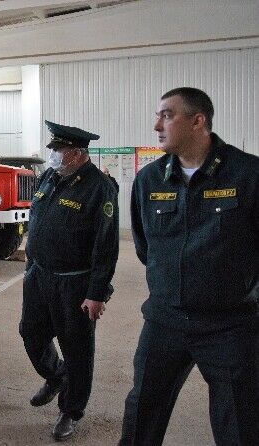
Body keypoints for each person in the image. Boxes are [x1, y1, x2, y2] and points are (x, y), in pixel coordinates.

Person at [119, 87, 258, 445]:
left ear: (198, 121)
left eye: (166, 115)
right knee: (141, 413)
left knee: (239, 423)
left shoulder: (247, 174)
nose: (156, 125)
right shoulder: (150, 180)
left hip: (228, 325)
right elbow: (145, 246)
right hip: (165, 322)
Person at [20, 121, 119, 441]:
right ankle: (55, 374)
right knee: (31, 332)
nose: (53, 155)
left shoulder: (99, 188)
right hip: (38, 274)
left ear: (77, 154)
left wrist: (97, 293)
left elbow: (106, 246)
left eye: (58, 151)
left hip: (74, 282)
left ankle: (71, 410)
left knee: (77, 349)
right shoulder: (50, 177)